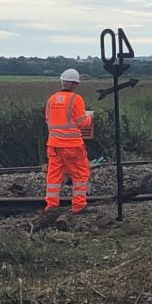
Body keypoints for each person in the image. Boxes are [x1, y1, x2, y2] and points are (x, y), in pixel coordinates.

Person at [44, 69, 93, 212]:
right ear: (74, 84)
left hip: (53, 145)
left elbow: (48, 120)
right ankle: (78, 206)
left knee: (54, 176)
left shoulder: (51, 99)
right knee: (80, 174)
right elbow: (83, 122)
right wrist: (90, 117)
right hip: (72, 146)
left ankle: (51, 206)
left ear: (62, 82)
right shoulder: (76, 99)